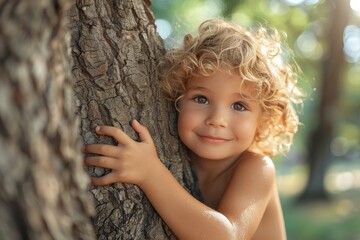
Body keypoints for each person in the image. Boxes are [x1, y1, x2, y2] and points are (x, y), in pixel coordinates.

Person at [84, 18, 303, 240]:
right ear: (177, 99)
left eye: (239, 105)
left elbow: (228, 237)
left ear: (263, 119)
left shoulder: (257, 168)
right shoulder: (178, 150)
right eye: (201, 99)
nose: (217, 120)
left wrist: (150, 173)